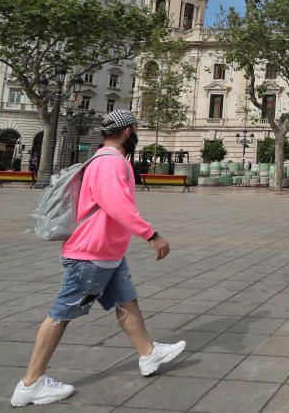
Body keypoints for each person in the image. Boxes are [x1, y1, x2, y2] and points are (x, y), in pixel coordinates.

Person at [11, 110, 185, 407]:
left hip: (107, 252)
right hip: (91, 253)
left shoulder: (105, 159)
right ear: (128, 131)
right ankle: (31, 382)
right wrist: (151, 235)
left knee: (126, 300)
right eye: (136, 129)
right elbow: (117, 205)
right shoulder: (110, 162)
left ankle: (147, 353)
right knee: (62, 313)